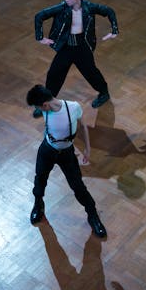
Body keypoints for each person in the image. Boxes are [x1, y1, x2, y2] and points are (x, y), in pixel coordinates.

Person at [26, 84, 107, 238]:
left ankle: (93, 215)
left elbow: (83, 127)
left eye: (39, 107)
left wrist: (88, 149)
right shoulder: (46, 110)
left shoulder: (73, 107)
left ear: (45, 104)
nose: (39, 111)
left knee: (78, 186)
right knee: (40, 179)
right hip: (47, 150)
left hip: (67, 154)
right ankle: (38, 204)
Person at [34, 0, 118, 116]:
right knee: (54, 74)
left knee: (92, 73)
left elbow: (109, 11)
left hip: (82, 47)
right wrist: (40, 37)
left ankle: (104, 93)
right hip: (66, 48)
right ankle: (47, 101)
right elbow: (39, 16)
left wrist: (114, 30)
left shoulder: (89, 7)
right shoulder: (62, 8)